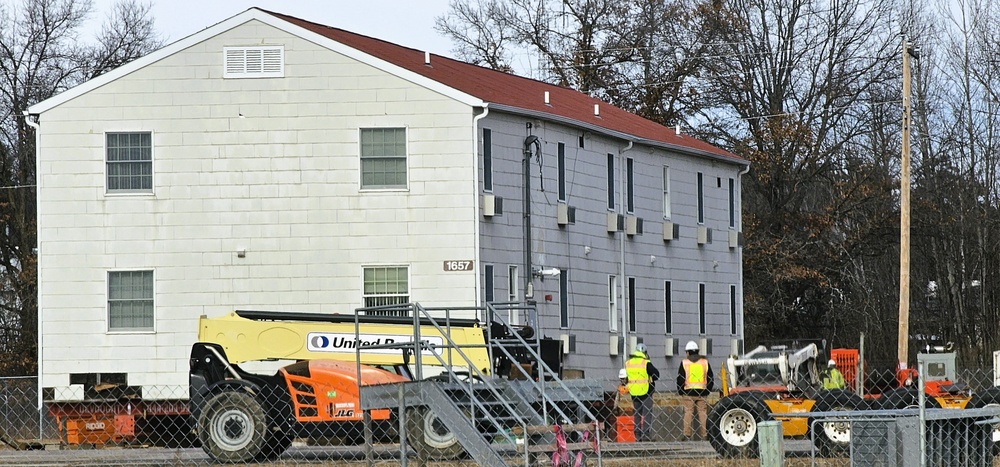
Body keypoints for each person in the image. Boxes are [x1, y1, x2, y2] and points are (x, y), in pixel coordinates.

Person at [677, 340, 714, 440]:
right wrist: (708, 390)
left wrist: (680, 390)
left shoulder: (684, 363)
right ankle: (705, 434)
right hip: (702, 392)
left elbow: (680, 378)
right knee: (702, 413)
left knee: (688, 412)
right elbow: (710, 377)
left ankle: (687, 434)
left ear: (688, 352)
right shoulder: (705, 362)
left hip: (688, 392)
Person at [625, 343, 659, 441]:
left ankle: (637, 435)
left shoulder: (628, 363)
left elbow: (626, 377)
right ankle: (645, 434)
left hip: (634, 392)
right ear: (645, 352)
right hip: (646, 391)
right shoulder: (646, 363)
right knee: (647, 413)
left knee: (637, 413)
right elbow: (656, 374)